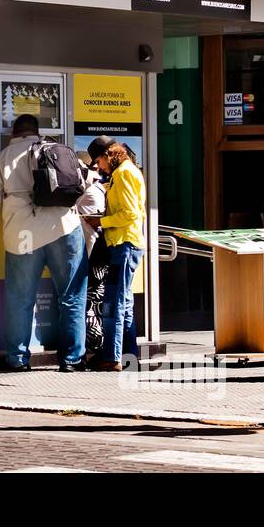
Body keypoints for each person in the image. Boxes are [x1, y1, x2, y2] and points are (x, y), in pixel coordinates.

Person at [0, 114, 88, 372]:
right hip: (64, 228)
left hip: (22, 235)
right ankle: (72, 360)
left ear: (14, 132)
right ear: (36, 132)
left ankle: (17, 360)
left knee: (20, 299)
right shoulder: (53, 148)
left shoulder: (4, 157)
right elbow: (78, 187)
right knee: (72, 294)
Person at [84, 142, 146, 372]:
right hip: (125, 243)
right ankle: (129, 357)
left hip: (124, 244)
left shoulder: (124, 173)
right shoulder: (125, 171)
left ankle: (111, 358)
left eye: (99, 162)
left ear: (107, 156)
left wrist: (101, 221)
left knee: (113, 303)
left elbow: (129, 213)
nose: (99, 167)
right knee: (125, 304)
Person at [76, 140, 114, 364]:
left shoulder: (88, 189)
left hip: (93, 253)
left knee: (91, 301)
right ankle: (98, 347)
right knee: (98, 300)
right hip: (102, 250)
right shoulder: (101, 186)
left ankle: (93, 348)